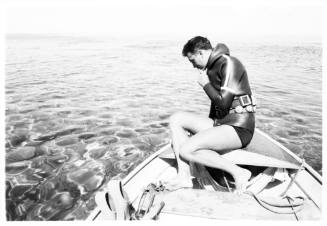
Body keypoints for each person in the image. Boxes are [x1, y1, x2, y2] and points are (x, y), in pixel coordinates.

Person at [164, 36, 256, 193]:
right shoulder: (212, 67)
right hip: (221, 124)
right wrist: (205, 134)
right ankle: (183, 177)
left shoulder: (230, 63)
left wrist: (205, 84)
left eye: (192, 61)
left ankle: (239, 173)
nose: (193, 66)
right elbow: (216, 108)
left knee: (186, 150)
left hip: (239, 128)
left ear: (200, 53)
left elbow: (224, 103)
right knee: (176, 119)